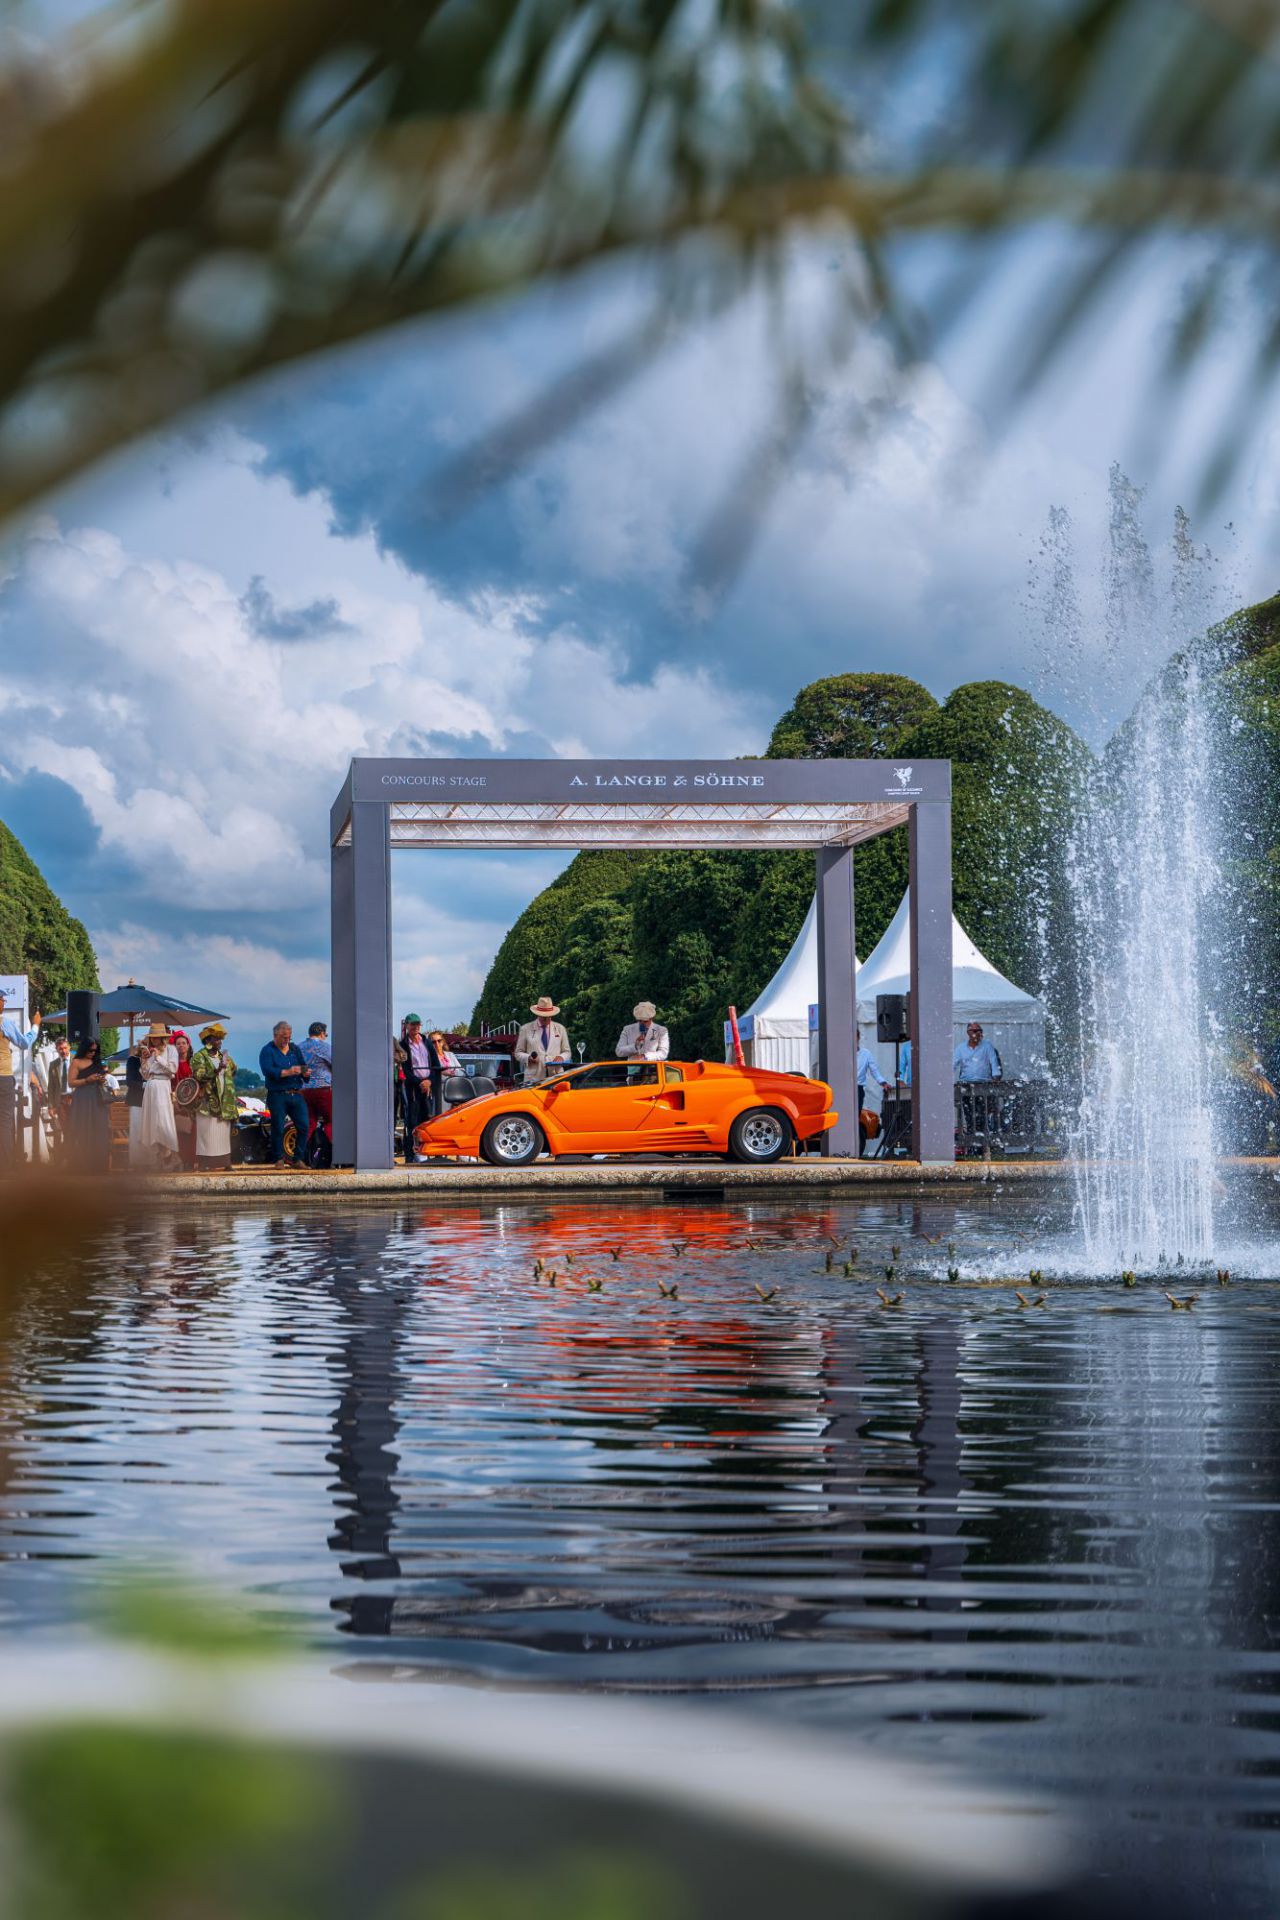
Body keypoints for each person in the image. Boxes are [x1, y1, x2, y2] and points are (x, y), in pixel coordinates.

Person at [259, 1020, 310, 1170]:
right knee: (278, 1127)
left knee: (304, 1126)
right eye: (283, 1037)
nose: (286, 1040)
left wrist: (305, 1072)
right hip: (277, 1094)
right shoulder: (267, 1050)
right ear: (275, 1035)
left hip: (296, 1093)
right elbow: (268, 1071)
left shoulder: (294, 1049)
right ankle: (278, 1158)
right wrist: (288, 1072)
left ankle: (298, 1159)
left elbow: (302, 1066)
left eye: (288, 1037)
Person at [0, 989, 39, 1166]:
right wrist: (35, 1026)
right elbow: (24, 1043)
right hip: (3, 1077)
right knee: (5, 1120)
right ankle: (5, 1165)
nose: (4, 1003)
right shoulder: (4, 1023)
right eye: (2, 1000)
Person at [192, 1023, 238, 1170]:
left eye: (220, 1039)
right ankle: (205, 1164)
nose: (220, 1042)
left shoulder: (224, 1056)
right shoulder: (199, 1056)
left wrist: (227, 1066)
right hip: (207, 1100)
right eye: (217, 1039)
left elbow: (233, 1069)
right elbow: (198, 1075)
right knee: (207, 1133)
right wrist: (217, 1070)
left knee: (223, 1134)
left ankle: (225, 1163)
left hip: (225, 1101)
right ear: (208, 1040)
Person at [138, 1021, 180, 1168]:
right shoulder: (149, 1052)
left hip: (163, 1086)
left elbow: (173, 1069)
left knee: (163, 1121)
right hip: (150, 1087)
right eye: (152, 1038)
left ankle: (168, 1153)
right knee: (152, 1121)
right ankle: (157, 1154)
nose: (154, 1040)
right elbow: (144, 1075)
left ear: (162, 1037)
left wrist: (158, 1058)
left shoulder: (171, 1050)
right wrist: (143, 1060)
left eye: (156, 1037)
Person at [66, 1037, 110, 1172]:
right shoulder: (76, 1062)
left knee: (99, 1130)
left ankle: (99, 1165)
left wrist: (102, 1080)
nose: (92, 1053)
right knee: (83, 1129)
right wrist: (87, 1080)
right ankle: (82, 1165)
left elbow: (104, 1082)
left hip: (97, 1099)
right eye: (90, 1050)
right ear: (84, 1049)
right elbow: (71, 1082)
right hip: (83, 1098)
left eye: (95, 1051)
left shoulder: (97, 1062)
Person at [298, 1020, 332, 1160]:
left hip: (304, 1090)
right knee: (331, 1120)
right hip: (323, 1089)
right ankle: (331, 1154)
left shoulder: (299, 1047)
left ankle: (300, 1156)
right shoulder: (324, 1047)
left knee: (309, 1123)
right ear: (322, 1033)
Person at [516, 998, 571, 1085]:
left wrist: (562, 1057)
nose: (547, 1019)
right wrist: (528, 1058)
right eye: (544, 1017)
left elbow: (567, 1052)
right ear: (538, 1014)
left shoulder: (561, 1029)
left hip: (556, 1077)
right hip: (533, 1079)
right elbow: (518, 1053)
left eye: (549, 1016)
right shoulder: (525, 1029)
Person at [400, 1014, 433, 1160]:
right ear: (406, 1025)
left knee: (429, 1119)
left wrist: (429, 1081)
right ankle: (410, 1155)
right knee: (411, 1121)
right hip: (413, 1088)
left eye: (418, 1024)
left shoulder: (427, 1042)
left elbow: (436, 1064)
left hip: (428, 1088)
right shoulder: (403, 1045)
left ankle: (428, 1152)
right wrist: (419, 1082)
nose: (416, 1027)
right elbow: (405, 1069)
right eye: (412, 1024)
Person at [856, 1027, 888, 1156]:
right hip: (844, 1089)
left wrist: (883, 1082)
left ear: (858, 1038)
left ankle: (855, 1148)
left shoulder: (865, 1053)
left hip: (857, 1088)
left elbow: (874, 1070)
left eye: (855, 1037)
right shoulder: (842, 1052)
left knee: (855, 1118)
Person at [172, 1030, 197, 1171]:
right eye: (178, 1043)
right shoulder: (172, 1064)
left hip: (193, 1102)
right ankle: (182, 1161)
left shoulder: (194, 1063)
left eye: (183, 1043)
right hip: (177, 1102)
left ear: (188, 1045)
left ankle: (192, 1161)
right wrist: (176, 1102)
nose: (181, 1046)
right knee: (180, 1132)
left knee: (193, 1133)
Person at [45, 1035, 72, 1156]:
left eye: (65, 1048)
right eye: (60, 1049)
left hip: (75, 1099)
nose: (64, 1051)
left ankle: (75, 1156)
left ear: (69, 1047)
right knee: (65, 1129)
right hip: (60, 1101)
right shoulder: (53, 1065)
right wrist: (50, 1106)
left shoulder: (76, 1061)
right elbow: (51, 1087)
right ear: (57, 1049)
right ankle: (68, 1158)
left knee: (76, 1128)